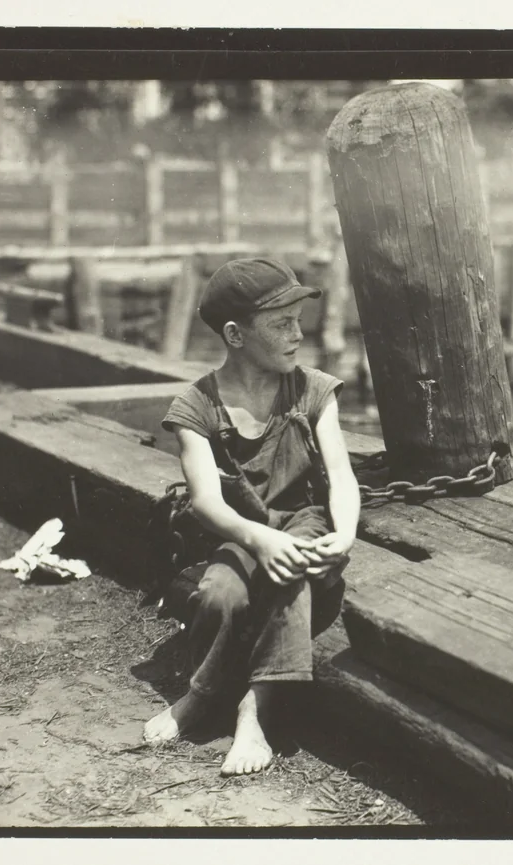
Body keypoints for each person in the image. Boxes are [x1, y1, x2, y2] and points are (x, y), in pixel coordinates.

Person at [142, 257, 360, 777]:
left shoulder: (312, 391)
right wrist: (258, 539)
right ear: (236, 335)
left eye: (298, 321)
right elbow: (207, 504)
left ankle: (254, 708)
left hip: (303, 522)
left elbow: (342, 475)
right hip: (241, 532)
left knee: (292, 570)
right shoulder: (197, 406)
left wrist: (345, 532)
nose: (297, 335)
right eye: (282, 324)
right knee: (219, 592)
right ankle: (204, 692)